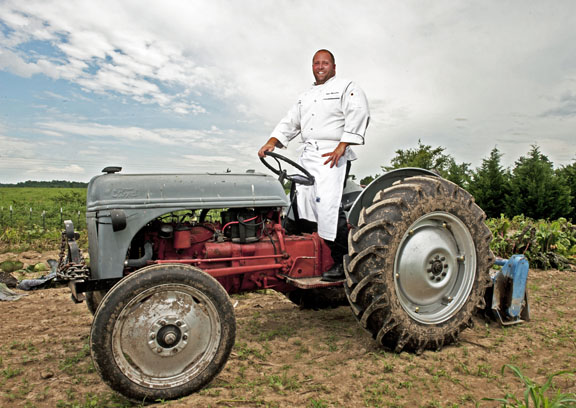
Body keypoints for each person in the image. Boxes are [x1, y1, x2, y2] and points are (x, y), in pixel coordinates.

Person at [258, 49, 370, 281]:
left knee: (327, 206)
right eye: (316, 63)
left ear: (334, 67)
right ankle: (293, 253)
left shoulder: (346, 87)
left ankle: (342, 260)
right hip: (309, 155)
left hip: (332, 154)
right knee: (299, 203)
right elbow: (290, 122)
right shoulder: (306, 96)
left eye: (325, 63)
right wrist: (272, 142)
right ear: (312, 66)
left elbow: (358, 112)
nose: (320, 67)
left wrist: (343, 145)